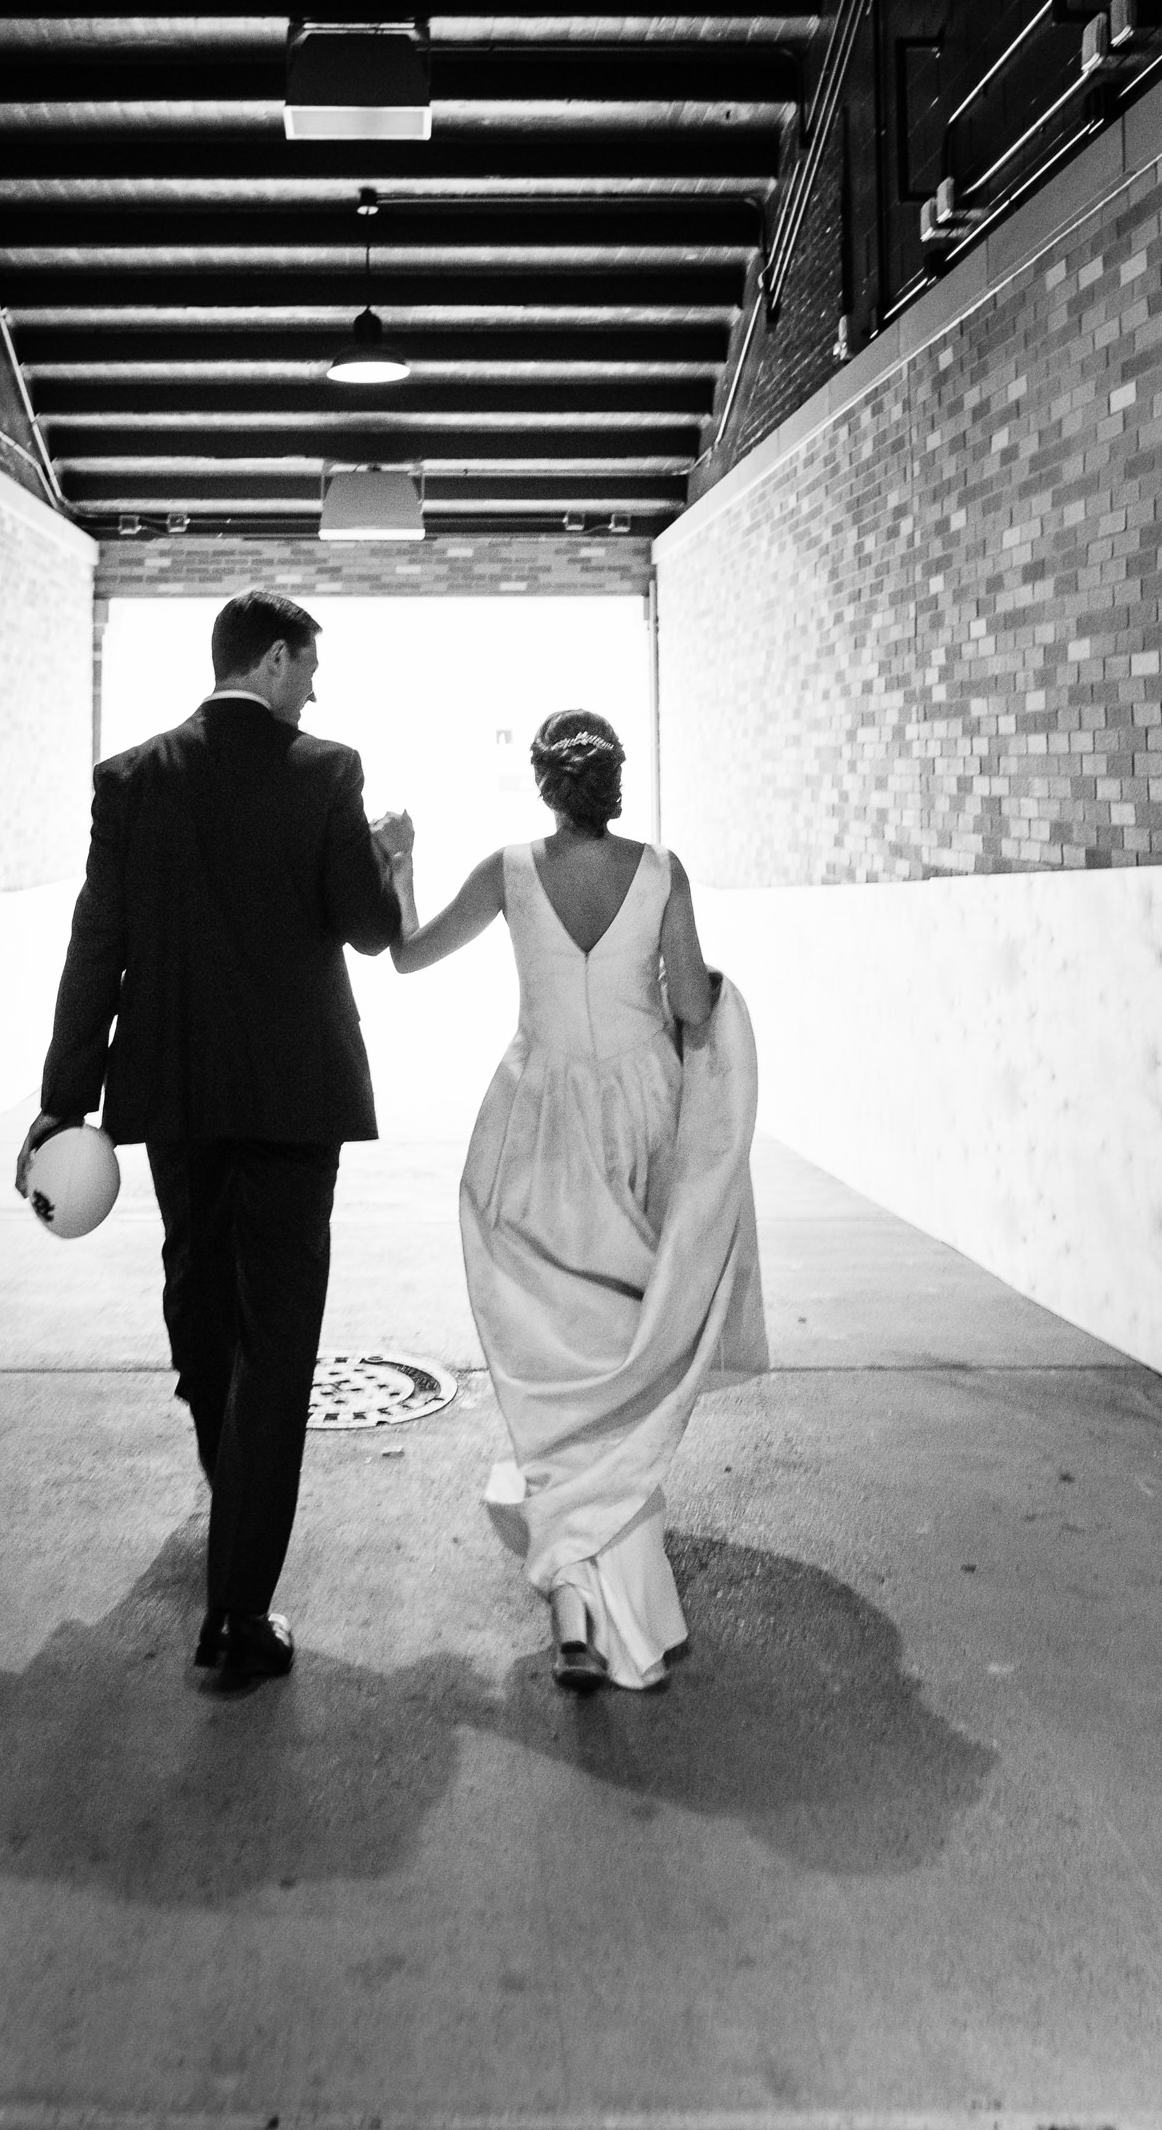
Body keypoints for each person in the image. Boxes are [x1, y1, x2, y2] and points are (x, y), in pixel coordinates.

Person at [18, 589, 409, 1689]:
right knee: (275, 1338)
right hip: (293, 1099)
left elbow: (96, 945)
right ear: (275, 659)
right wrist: (383, 856)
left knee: (197, 1293)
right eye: (309, 667)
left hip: (175, 1091)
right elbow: (369, 929)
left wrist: (61, 1100)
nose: (315, 690)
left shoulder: (132, 778)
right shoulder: (327, 770)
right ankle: (236, 1609)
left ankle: (225, 1482)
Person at [383, 707, 767, 1693]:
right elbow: (687, 1006)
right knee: (620, 1353)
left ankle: (572, 1599)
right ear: (614, 784)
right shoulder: (659, 870)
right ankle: (595, 1589)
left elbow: (407, 952)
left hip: (538, 1117)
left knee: (554, 1350)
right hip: (638, 1114)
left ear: (545, 784)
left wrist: (399, 864)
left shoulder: (507, 868)